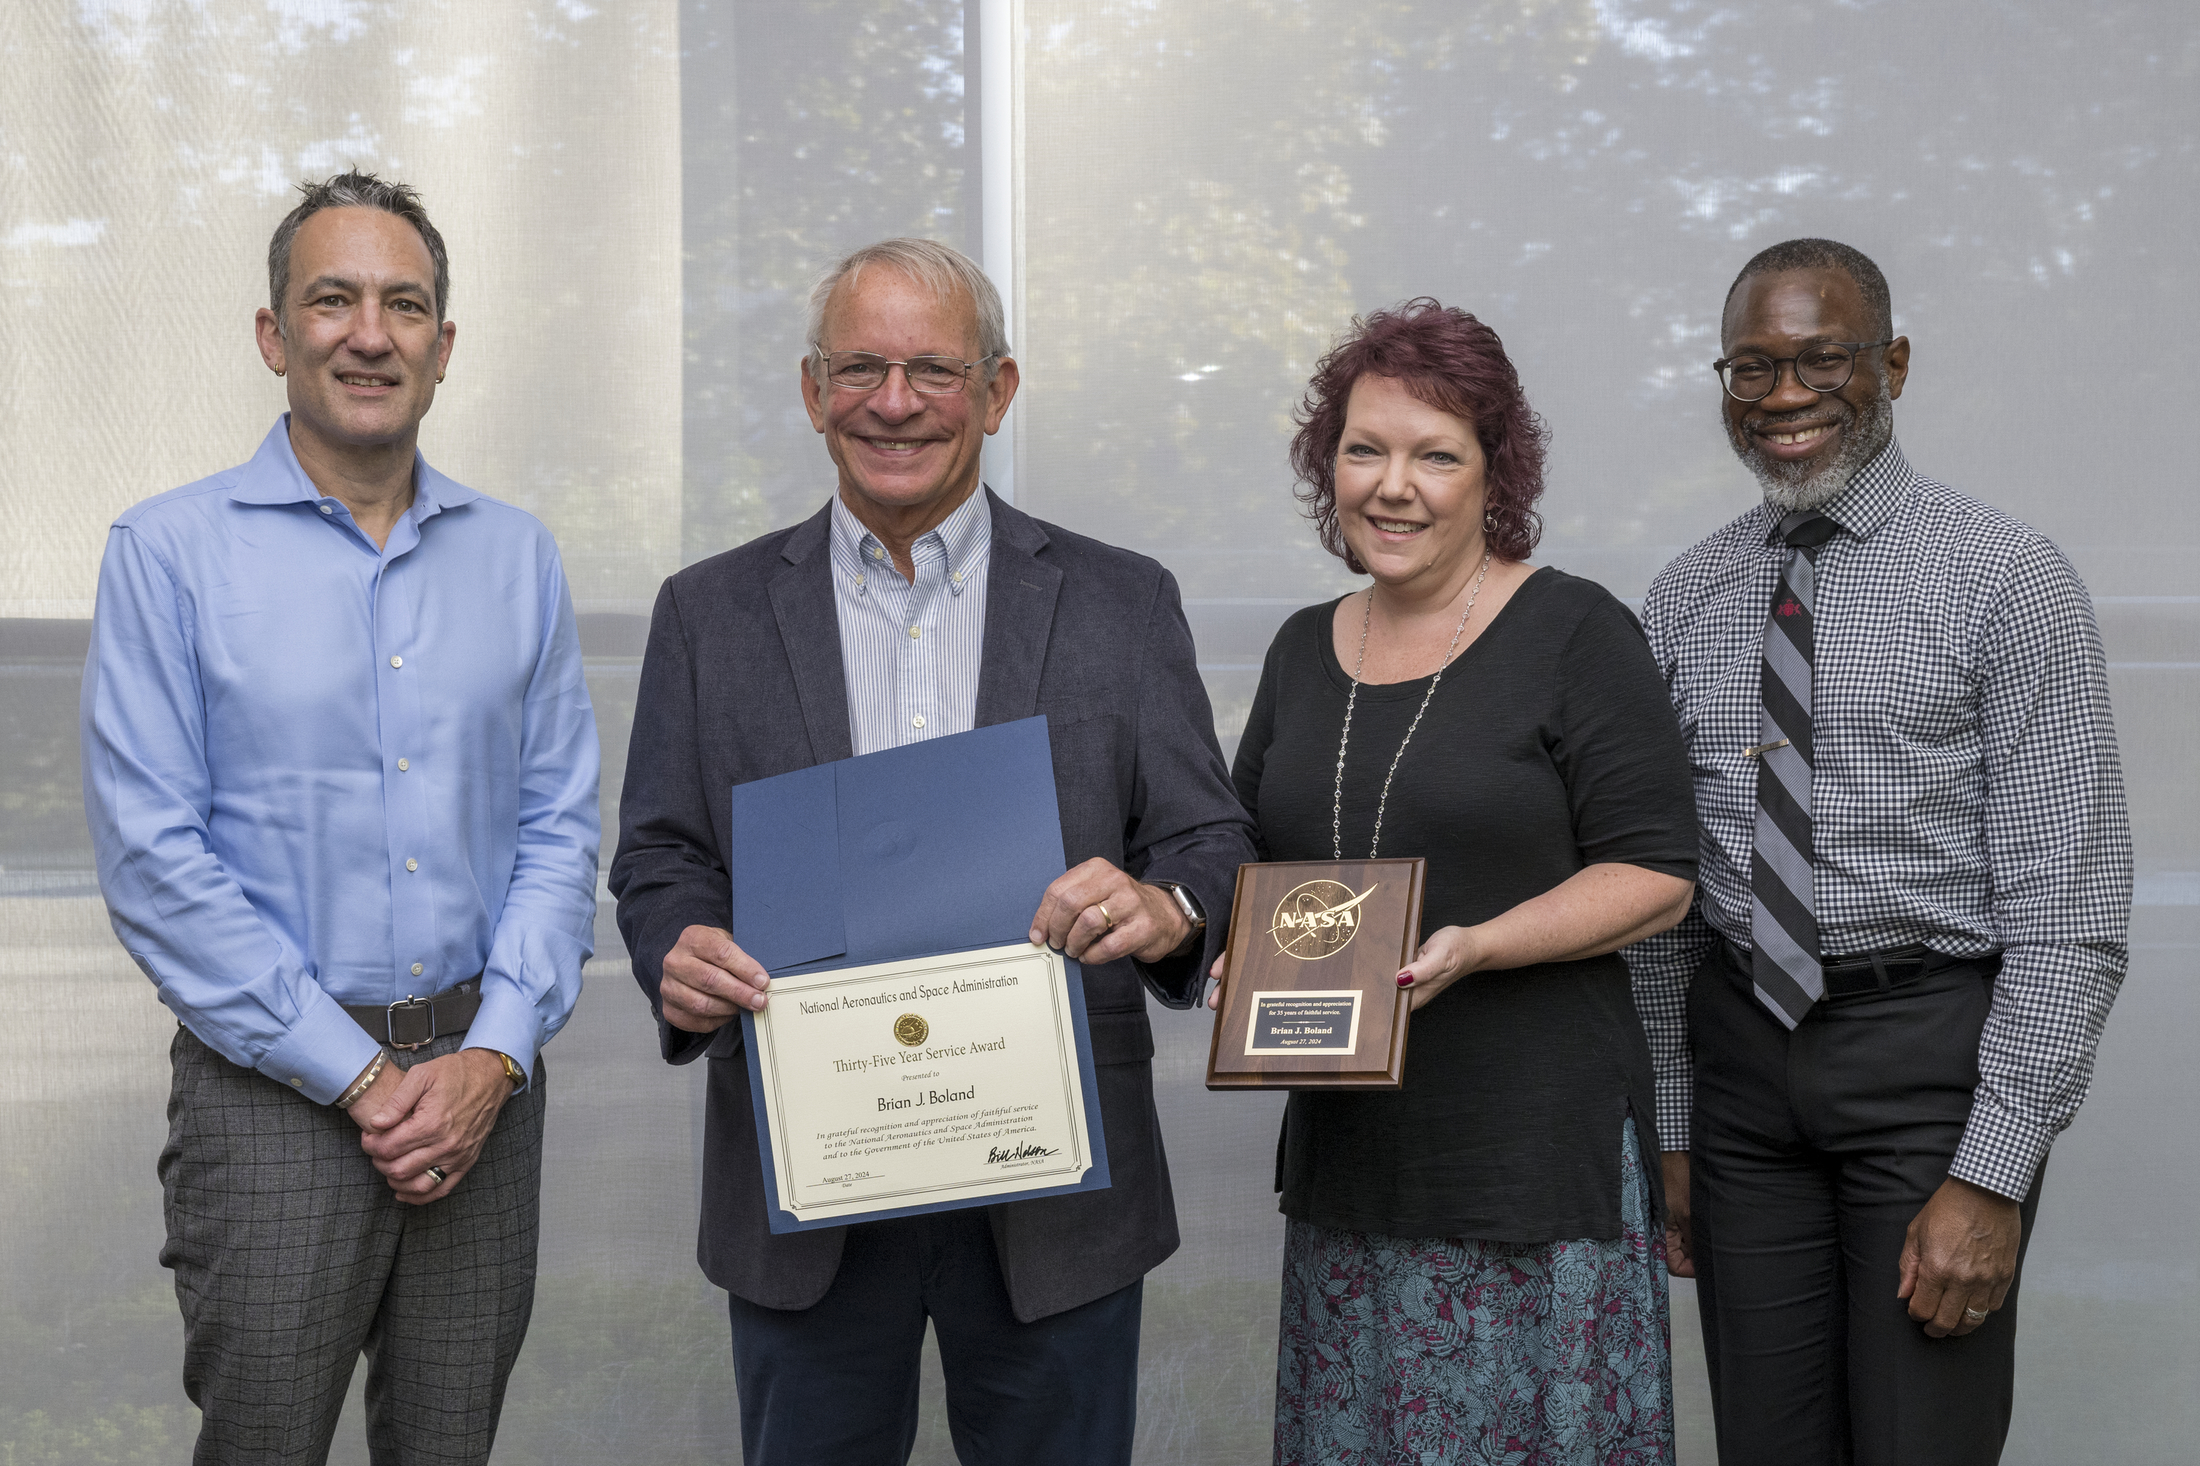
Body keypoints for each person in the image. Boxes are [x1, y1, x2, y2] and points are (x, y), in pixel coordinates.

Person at [609, 237, 1254, 1466]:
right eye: (858, 366)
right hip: (809, 1176)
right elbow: (660, 852)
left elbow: (1206, 835)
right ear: (812, 392)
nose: (892, 401)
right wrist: (672, 945)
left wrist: (1168, 907)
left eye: (931, 369)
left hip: (1054, 1190)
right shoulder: (709, 611)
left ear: (997, 390)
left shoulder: (1123, 601)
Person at [80, 171, 601, 1465]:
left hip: (486, 1090)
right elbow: (155, 860)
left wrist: (497, 1052)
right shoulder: (167, 553)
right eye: (333, 299)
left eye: (405, 305)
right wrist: (360, 1076)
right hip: (273, 1103)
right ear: (274, 335)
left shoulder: (519, 557)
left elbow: (559, 825)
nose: (371, 333)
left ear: (443, 345)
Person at [1626, 238, 2130, 1464]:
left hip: (1927, 1071)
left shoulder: (2006, 580)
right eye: (1750, 369)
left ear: (1891, 364)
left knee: (1920, 1442)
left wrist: (1996, 1170)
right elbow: (1662, 901)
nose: (1784, 397)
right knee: (1768, 1442)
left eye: (1820, 359)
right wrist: (1676, 1126)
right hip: (1741, 1071)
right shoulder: (1680, 598)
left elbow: (2072, 906)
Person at [1210, 298, 1700, 1465]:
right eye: (1364, 448)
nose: (1394, 485)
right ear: (1326, 465)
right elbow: (1247, 858)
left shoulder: (1576, 630)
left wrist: (1475, 944)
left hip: (1533, 1173)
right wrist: (1231, 942)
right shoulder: (1297, 646)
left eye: (1437, 455)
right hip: (1352, 1165)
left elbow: (1657, 872)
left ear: (1494, 476)